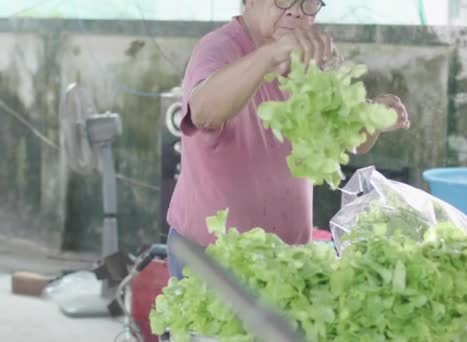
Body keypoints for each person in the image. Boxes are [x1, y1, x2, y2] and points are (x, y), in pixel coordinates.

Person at [166, 0, 410, 279]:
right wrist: (270, 55)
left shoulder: (306, 58)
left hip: (288, 256)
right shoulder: (219, 48)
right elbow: (203, 112)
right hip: (214, 256)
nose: (295, 11)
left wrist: (374, 119)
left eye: (309, 3)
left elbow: (348, 141)